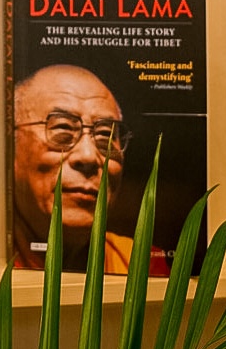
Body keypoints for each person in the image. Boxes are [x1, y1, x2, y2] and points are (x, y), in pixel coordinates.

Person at [12, 63, 168, 274]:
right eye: (62, 129)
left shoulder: (140, 264)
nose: (88, 156)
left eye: (105, 136)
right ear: (10, 145)